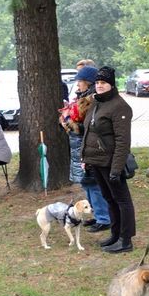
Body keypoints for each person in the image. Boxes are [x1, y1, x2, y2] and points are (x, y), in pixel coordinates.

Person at [81, 66, 136, 253]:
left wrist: (116, 168)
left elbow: (123, 141)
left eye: (103, 82)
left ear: (111, 84)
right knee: (109, 199)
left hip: (111, 161)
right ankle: (115, 234)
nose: (99, 86)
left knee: (122, 200)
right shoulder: (96, 103)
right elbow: (88, 130)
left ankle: (126, 240)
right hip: (96, 161)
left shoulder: (120, 106)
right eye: (97, 82)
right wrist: (84, 157)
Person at [61, 64, 111, 232]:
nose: (78, 85)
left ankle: (104, 218)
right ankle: (97, 215)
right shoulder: (82, 97)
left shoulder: (91, 100)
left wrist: (68, 121)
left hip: (89, 146)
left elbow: (86, 127)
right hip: (80, 147)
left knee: (94, 184)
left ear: (88, 82)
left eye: (80, 81)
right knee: (87, 183)